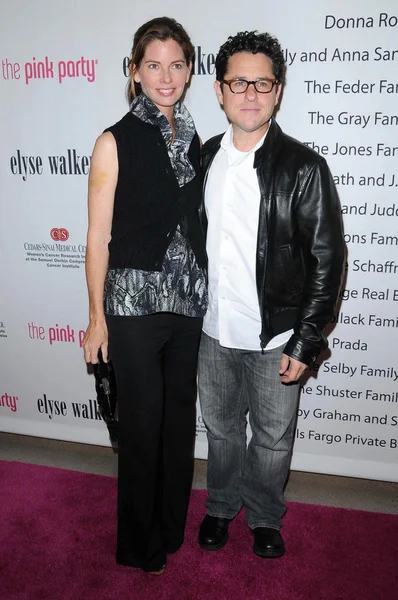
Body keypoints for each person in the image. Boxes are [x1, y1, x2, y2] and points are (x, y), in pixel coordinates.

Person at [197, 31, 345, 559]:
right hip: (211, 332)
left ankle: (263, 516)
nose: (251, 93)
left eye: (263, 82)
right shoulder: (204, 159)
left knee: (273, 440)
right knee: (220, 433)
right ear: (219, 90)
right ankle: (219, 507)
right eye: (239, 82)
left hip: (276, 335)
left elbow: (327, 262)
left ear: (277, 91)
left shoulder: (304, 168)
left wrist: (305, 342)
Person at [83, 17, 207, 575]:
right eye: (153, 65)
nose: (166, 76)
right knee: (142, 424)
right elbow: (96, 237)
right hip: (132, 307)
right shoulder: (113, 140)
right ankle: (138, 544)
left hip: (187, 305)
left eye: (176, 64)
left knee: (179, 424)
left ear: (189, 71)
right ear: (134, 72)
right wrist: (95, 318)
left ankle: (170, 527)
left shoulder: (195, 137)